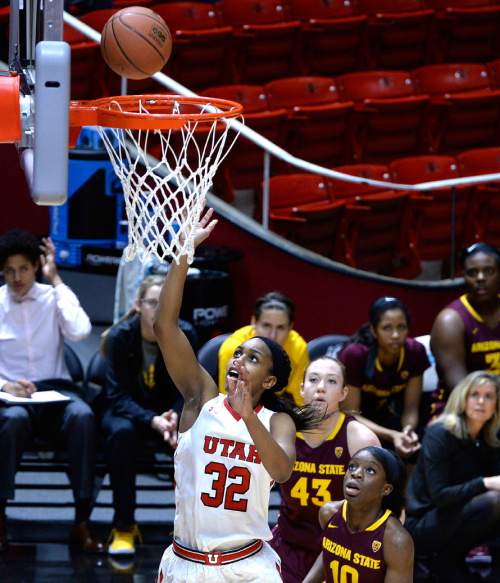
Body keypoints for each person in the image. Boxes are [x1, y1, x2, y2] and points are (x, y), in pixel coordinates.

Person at [153, 207, 323, 583]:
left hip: (248, 567)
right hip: (187, 564)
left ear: (270, 381)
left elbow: (281, 470)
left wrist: (248, 416)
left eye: (254, 358)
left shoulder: (276, 421)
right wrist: (182, 253)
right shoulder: (201, 398)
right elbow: (164, 327)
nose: (240, 359)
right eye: (239, 353)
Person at [0, 229, 103, 553]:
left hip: (56, 391)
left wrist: (56, 281)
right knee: (12, 421)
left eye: (24, 269)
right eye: (10, 270)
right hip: (12, 396)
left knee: (83, 416)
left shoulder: (51, 296)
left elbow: (80, 330)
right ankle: (0, 517)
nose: (17, 277)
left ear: (36, 266)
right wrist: (5, 385)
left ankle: (81, 519)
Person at [100, 274, 197, 556]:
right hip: (128, 413)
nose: (159, 309)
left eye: (165, 303)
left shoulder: (185, 334)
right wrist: (152, 420)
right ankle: (124, 527)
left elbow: (192, 386)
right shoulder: (120, 337)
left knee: (194, 438)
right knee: (121, 435)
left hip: (170, 415)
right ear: (138, 304)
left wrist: (177, 416)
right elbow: (116, 396)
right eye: (153, 302)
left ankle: (189, 530)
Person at [270, 356, 380, 583]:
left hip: (341, 549)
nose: (321, 388)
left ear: (343, 393)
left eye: (331, 381)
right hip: (288, 544)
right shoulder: (282, 429)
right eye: (313, 380)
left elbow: (387, 506)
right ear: (301, 388)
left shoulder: (360, 438)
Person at [405, 371, 500, 583]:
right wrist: (486, 483)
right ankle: (443, 561)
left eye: (489, 396)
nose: (481, 401)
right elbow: (440, 496)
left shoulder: (492, 436)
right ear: (463, 398)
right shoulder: (440, 433)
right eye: (475, 395)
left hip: (457, 515)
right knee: (494, 500)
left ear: (496, 404)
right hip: (423, 523)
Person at [303, 446, 414, 583]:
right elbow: (329, 552)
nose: (356, 473)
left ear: (385, 489)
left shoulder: (396, 541)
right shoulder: (328, 513)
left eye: (370, 470)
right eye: (352, 466)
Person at [338, 297, 430, 458]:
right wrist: (392, 435)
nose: (395, 335)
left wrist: (407, 431)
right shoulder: (355, 355)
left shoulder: (415, 352)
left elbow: (411, 408)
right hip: (357, 422)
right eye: (387, 328)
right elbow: (349, 414)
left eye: (401, 327)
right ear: (374, 330)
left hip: (390, 416)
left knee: (421, 442)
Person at [430, 243, 500, 414]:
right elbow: (462, 391)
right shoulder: (450, 321)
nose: (481, 278)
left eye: (489, 271)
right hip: (460, 414)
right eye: (472, 273)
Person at [218, 290, 308, 406]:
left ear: (290, 327)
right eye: (266, 325)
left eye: (280, 328)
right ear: (254, 322)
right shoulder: (233, 349)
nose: (272, 335)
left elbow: (300, 401)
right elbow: (227, 398)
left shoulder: (298, 348)